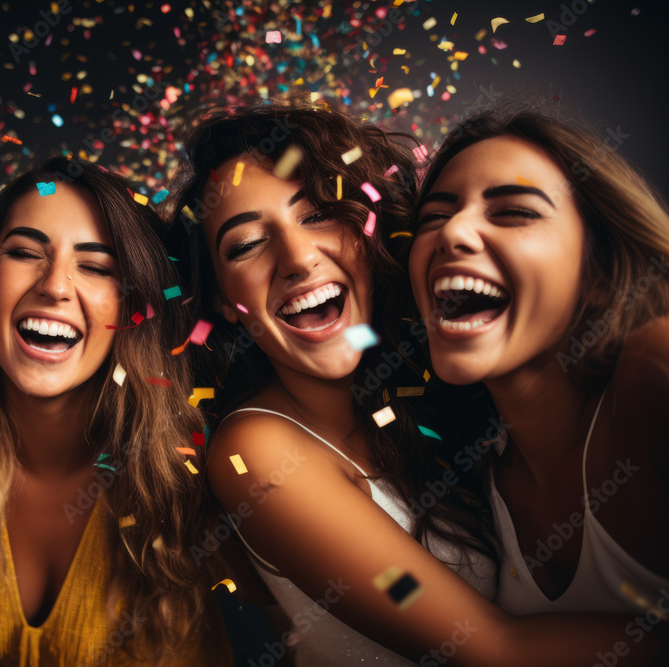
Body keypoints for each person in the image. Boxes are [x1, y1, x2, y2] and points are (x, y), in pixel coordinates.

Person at [169, 99, 668, 666]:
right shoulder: (256, 453)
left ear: (370, 233)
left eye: (316, 216)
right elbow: (492, 650)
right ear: (222, 302)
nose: (297, 258)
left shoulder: (454, 398)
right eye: (246, 244)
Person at [0, 157, 231, 666]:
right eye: (23, 252)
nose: (55, 286)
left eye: (97, 266)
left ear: (133, 308)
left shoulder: (204, 460)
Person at [407, 107, 669, 621]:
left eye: (514, 212)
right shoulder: (464, 481)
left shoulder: (653, 363)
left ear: (598, 270)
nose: (452, 232)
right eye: (433, 217)